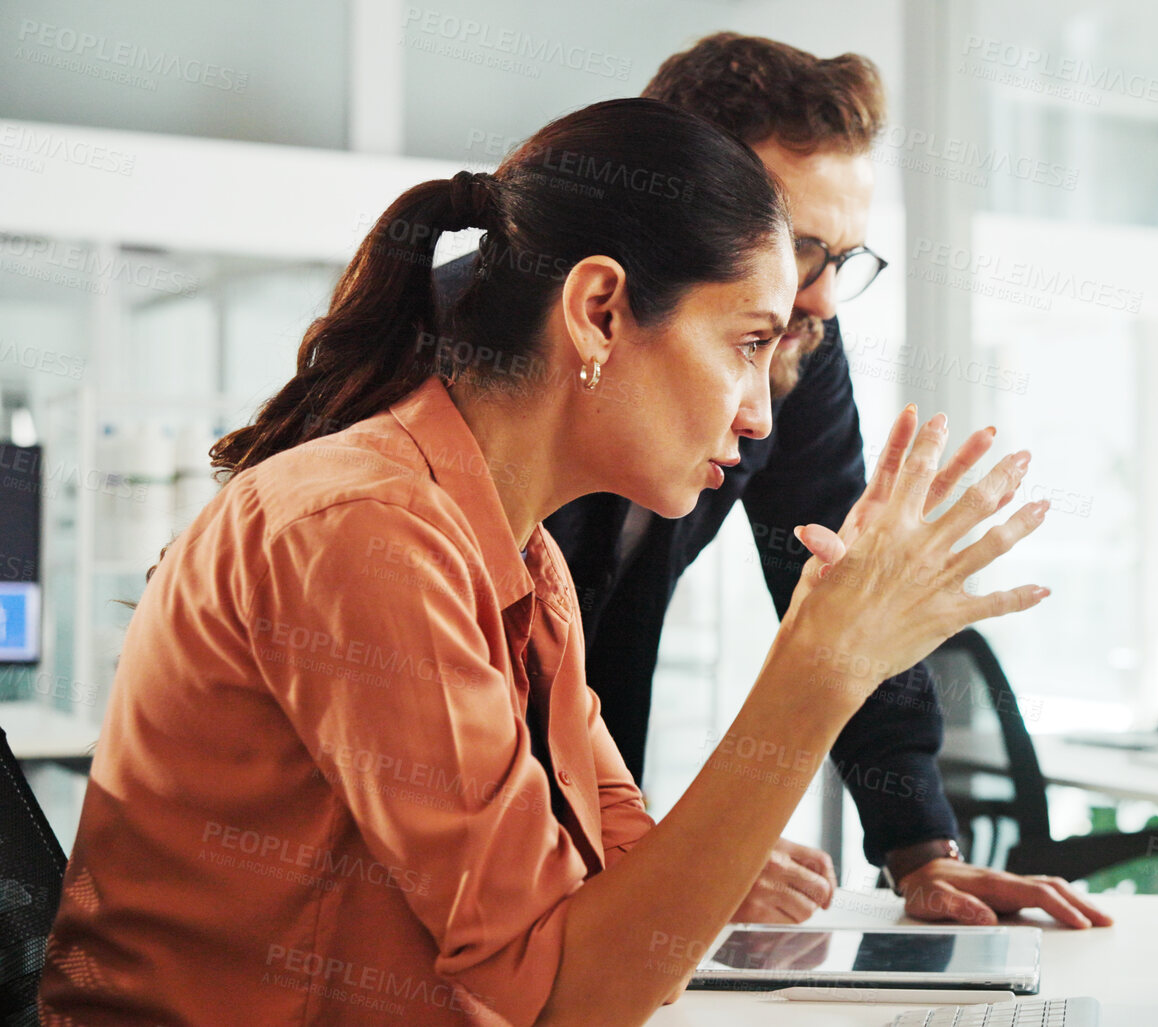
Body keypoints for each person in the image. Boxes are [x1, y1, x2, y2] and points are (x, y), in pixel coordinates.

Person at [39, 98, 1051, 1027]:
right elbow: (566, 993)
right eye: (747, 342)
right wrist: (819, 672)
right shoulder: (363, 530)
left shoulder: (524, 563)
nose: (760, 411)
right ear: (599, 309)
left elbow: (619, 867)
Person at [446, 33, 1112, 930]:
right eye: (797, 248)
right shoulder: (470, 377)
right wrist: (663, 865)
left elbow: (842, 581)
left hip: (575, 808)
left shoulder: (797, 346)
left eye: (844, 258)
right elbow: (447, 758)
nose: (823, 302)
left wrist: (921, 850)